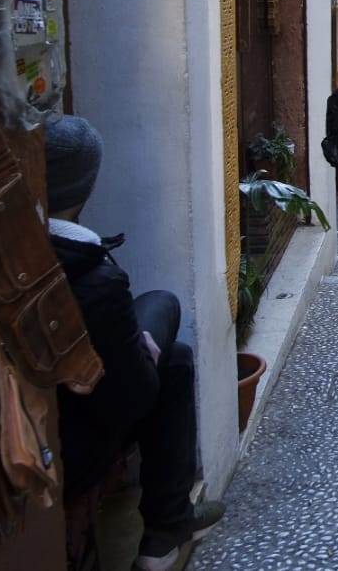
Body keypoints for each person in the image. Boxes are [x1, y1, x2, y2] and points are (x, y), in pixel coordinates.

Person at [42, 114, 224, 571]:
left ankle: (169, 526)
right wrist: (142, 345)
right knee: (173, 357)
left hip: (56, 418)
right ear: (88, 184)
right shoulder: (94, 278)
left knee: (165, 327)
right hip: (68, 443)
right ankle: (166, 530)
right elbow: (137, 393)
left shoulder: (10, 252)